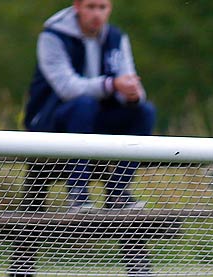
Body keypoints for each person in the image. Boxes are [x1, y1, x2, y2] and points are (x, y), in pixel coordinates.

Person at [25, 0, 156, 210]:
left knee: (144, 111)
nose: (97, 14)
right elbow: (68, 88)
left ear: (110, 8)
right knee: (84, 105)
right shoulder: (53, 36)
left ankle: (118, 193)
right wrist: (112, 84)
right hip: (52, 123)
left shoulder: (116, 37)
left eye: (102, 7)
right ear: (77, 6)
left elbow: (128, 82)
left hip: (96, 122)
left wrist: (132, 94)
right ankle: (78, 194)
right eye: (91, 7)